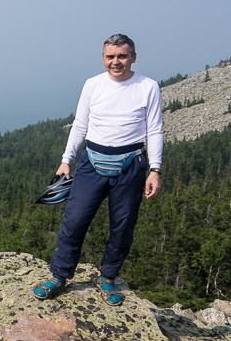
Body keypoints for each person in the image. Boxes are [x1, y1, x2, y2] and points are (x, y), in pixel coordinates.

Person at [32, 34, 163, 306]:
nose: (116, 62)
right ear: (103, 58)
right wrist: (66, 159)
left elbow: (154, 130)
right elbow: (80, 124)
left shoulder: (148, 86)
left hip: (132, 164)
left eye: (122, 56)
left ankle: (108, 277)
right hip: (92, 161)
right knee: (74, 220)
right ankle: (59, 275)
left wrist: (155, 169)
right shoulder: (93, 84)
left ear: (133, 57)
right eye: (110, 57)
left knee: (122, 226)